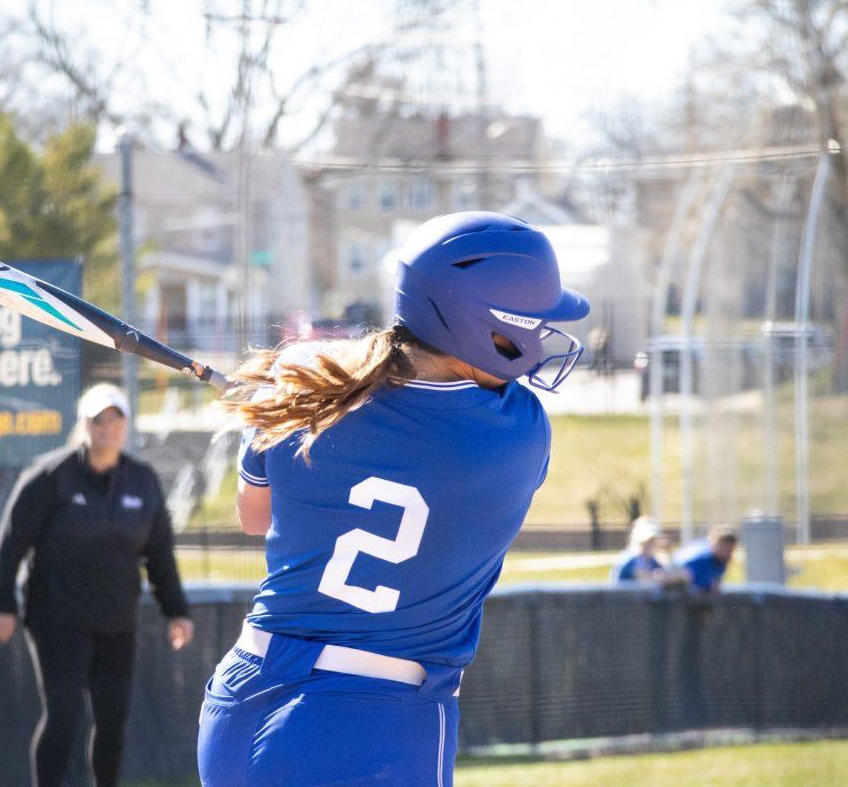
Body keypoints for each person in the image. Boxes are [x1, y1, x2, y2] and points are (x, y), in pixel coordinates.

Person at [196, 211, 590, 786]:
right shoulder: (517, 431)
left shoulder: (305, 394)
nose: (542, 336)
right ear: (487, 326)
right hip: (374, 718)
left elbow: (254, 517)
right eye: (532, 322)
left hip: (242, 693)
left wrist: (279, 407)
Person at [0, 383, 194, 787]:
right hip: (56, 619)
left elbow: (160, 554)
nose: (107, 428)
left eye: (116, 419)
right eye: (98, 420)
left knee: (112, 718)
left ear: (127, 426)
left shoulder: (142, 481)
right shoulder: (49, 477)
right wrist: (2, 602)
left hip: (117, 620)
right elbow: (11, 543)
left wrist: (176, 611)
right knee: (64, 715)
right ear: (84, 425)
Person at [674, 525, 739, 594]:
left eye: (731, 549)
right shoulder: (702, 557)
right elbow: (691, 579)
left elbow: (715, 584)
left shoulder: (720, 559)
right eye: (726, 549)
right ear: (716, 544)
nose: (729, 553)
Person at [610, 515, 673, 585]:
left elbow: (673, 572)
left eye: (653, 540)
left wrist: (668, 555)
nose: (650, 544)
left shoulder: (651, 560)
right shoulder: (630, 560)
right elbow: (648, 580)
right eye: (648, 541)